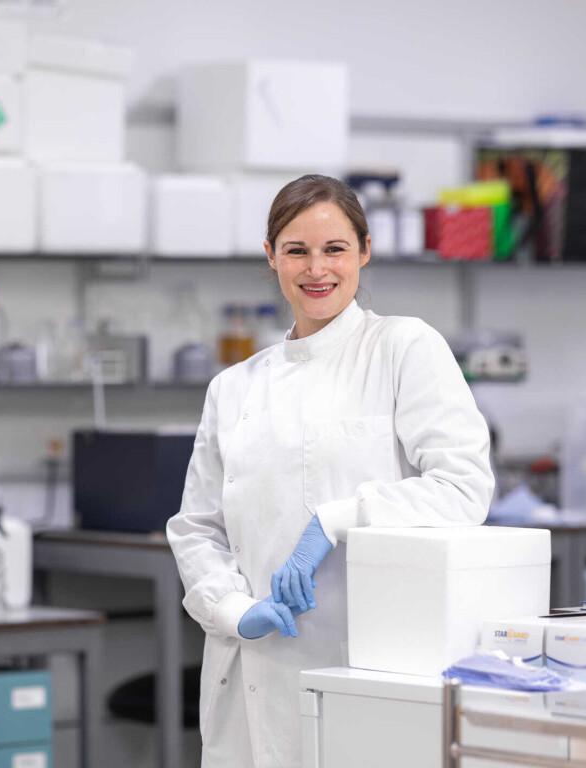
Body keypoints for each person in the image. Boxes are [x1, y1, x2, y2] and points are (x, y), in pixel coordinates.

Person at [166, 174, 494, 767]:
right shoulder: (234, 386)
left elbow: (464, 488)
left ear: (364, 251)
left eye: (335, 249)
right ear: (271, 258)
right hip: (251, 675)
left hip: (365, 667)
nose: (317, 269)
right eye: (296, 250)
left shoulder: (402, 348)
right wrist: (235, 611)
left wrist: (337, 519)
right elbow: (197, 529)